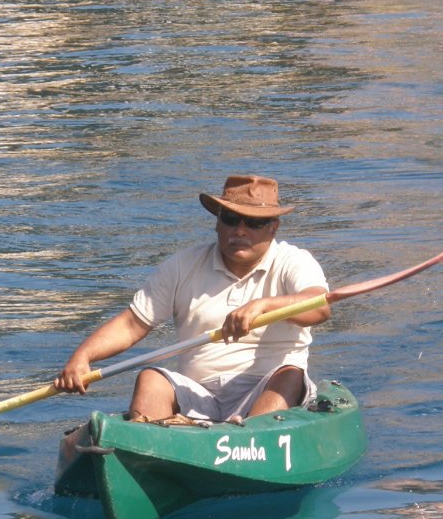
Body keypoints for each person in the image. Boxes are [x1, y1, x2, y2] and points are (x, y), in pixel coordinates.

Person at [55, 174, 330, 423]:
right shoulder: (182, 266)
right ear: (217, 223)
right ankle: (150, 446)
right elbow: (130, 325)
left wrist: (264, 306)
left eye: (254, 222)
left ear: (273, 228)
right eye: (230, 219)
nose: (240, 230)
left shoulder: (294, 261)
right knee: (151, 378)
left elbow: (319, 306)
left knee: (290, 374)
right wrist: (82, 357)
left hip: (267, 388)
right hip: (198, 393)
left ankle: (251, 438)